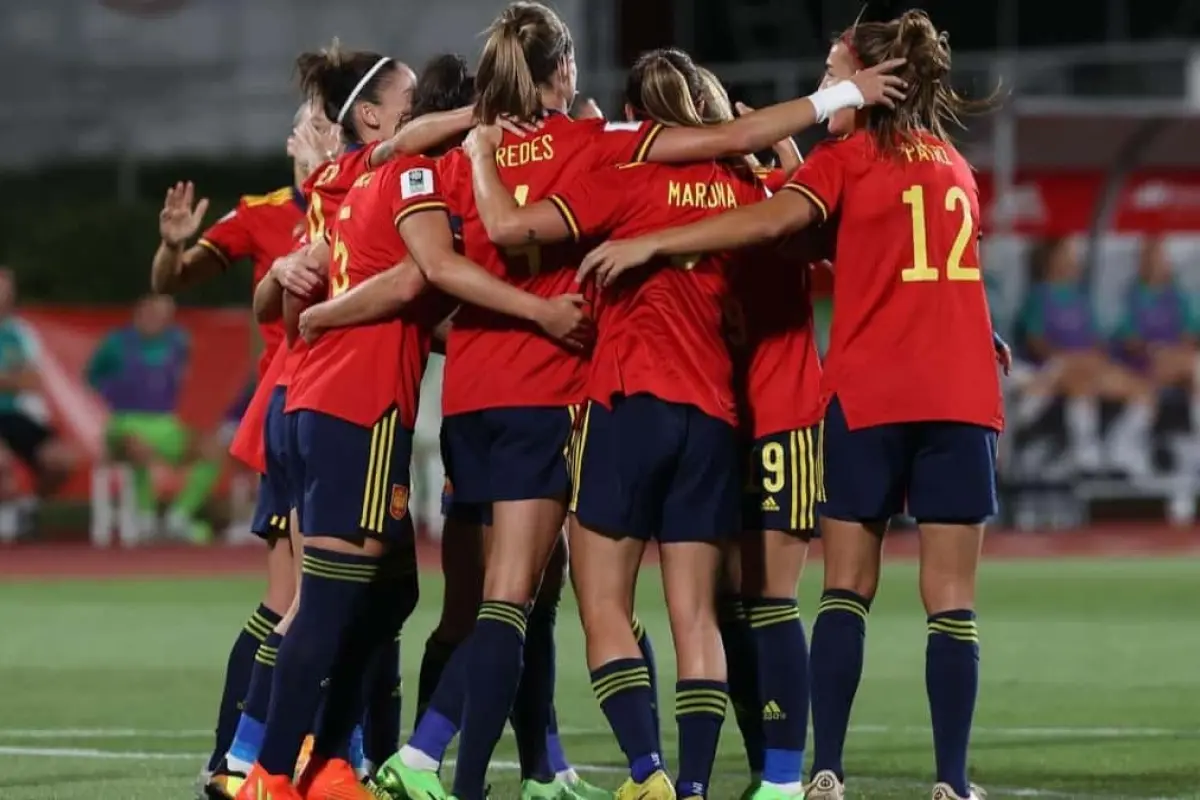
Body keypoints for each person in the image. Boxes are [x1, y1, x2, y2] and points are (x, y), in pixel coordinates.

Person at [368, 6, 902, 799]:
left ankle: (491, 764)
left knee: (541, 603)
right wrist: (817, 115)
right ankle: (716, 781)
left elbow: (423, 180)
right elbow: (812, 218)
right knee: (714, 609)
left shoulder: (579, 165)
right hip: (676, 404)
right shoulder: (693, 170)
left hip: (532, 397)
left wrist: (480, 141)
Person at [579, 11, 1008, 800]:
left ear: (869, 86)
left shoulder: (842, 163)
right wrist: (988, 338)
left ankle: (823, 771)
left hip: (868, 394)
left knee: (842, 590)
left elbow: (772, 222)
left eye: (832, 72)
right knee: (952, 606)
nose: (822, 86)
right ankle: (951, 781)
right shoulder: (954, 166)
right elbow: (946, 271)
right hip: (958, 392)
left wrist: (654, 242)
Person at [295, 53, 604, 800]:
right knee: (505, 601)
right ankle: (355, 758)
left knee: (462, 603)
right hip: (501, 398)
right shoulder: (442, 175)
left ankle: (527, 763)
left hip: (462, 402)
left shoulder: (384, 176)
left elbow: (412, 288)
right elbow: (419, 276)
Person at [148, 101, 335, 799]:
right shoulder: (260, 212)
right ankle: (244, 754)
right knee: (303, 598)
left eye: (319, 120)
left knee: (316, 597)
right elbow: (171, 280)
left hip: (345, 412)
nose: (305, 134)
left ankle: (264, 756)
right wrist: (172, 245)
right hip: (298, 415)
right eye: (303, 122)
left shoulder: (364, 194)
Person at [691, 73, 827, 800]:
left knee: (768, 600)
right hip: (720, 421)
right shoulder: (689, 199)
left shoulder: (782, 195)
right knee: (723, 606)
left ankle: (781, 778)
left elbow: (826, 234)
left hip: (778, 420)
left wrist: (782, 144)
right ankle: (762, 765)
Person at [85, 293, 220, 543]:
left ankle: (178, 516)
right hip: (124, 421)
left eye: (165, 316)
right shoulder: (116, 343)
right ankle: (145, 517)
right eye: (153, 313)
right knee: (139, 447)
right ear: (140, 312)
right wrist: (112, 397)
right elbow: (91, 377)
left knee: (211, 450)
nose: (158, 320)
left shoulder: (178, 342)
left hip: (165, 423)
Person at [1015, 237, 1155, 475]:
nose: (1073, 259)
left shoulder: (1081, 298)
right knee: (1078, 380)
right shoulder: (1038, 297)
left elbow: (1097, 340)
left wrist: (1094, 358)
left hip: (1089, 365)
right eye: (1067, 253)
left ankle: (1121, 446)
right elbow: (1036, 344)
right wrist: (1074, 358)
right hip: (1052, 369)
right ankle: (1084, 451)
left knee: (1142, 389)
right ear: (1052, 260)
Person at [0, 269, 74, 510]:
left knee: (61, 460)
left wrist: (12, 380)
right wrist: (13, 378)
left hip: (15, 415)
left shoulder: (20, 332)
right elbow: (23, 379)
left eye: (5, 290)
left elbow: (33, 380)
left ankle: (27, 509)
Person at [1113, 236, 1200, 435]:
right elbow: (1130, 342)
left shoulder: (1178, 295)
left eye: (1160, 257)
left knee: (1194, 366)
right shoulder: (1131, 296)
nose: (1156, 263)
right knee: (1193, 366)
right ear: (1141, 262)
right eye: (1150, 257)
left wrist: (1181, 348)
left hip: (1178, 361)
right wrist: (1156, 349)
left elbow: (1190, 335)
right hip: (1144, 361)